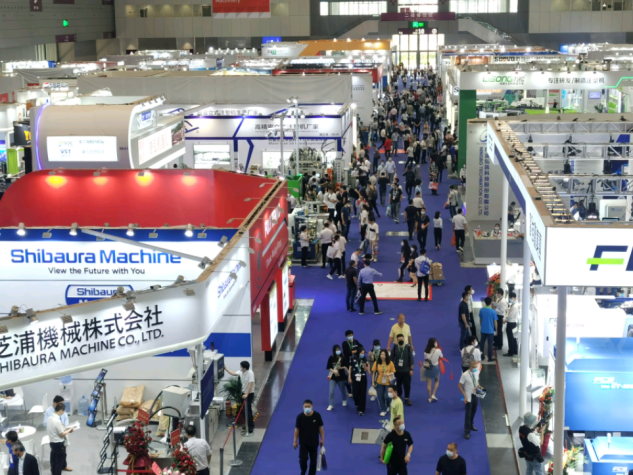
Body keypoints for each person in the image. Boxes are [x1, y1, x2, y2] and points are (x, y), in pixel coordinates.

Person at [294, 400, 324, 475]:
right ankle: (303, 472)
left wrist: (322, 439)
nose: (307, 408)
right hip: (303, 443)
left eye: (309, 406)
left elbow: (320, 428)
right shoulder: (300, 417)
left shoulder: (317, 415)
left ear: (312, 406)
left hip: (314, 443)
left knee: (313, 462)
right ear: (303, 407)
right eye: (305, 406)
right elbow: (297, 430)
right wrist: (295, 441)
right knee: (302, 460)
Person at [226, 361, 255, 435]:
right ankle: (247, 425)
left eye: (241, 366)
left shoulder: (250, 373)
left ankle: (250, 427)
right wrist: (226, 368)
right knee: (245, 410)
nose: (240, 367)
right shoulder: (241, 372)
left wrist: (247, 394)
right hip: (243, 393)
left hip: (249, 394)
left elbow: (250, 384)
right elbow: (233, 373)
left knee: (247, 410)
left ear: (244, 367)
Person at [47, 403, 74, 475]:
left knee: (53, 460)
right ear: (61, 410)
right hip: (59, 444)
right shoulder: (57, 421)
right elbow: (61, 434)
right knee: (59, 462)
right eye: (63, 411)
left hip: (52, 442)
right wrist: (70, 430)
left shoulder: (50, 418)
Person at [458, 361, 482, 439]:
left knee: (474, 411)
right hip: (468, 396)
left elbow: (477, 381)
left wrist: (479, 386)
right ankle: (466, 432)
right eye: (474, 368)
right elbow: (459, 386)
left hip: (475, 395)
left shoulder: (476, 372)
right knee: (468, 414)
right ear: (470, 367)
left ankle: (471, 425)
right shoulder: (465, 375)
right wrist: (464, 396)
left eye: (476, 368)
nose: (476, 369)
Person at [391, 333, 414, 406]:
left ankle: (407, 398)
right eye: (399, 339)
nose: (401, 340)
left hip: (406, 371)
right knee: (398, 385)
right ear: (397, 340)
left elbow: (411, 359)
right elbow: (391, 359)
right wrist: (391, 369)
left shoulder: (408, 348)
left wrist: (411, 369)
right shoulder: (395, 348)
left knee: (407, 385)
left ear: (404, 339)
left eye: (402, 339)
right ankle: (399, 395)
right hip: (397, 371)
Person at [372, 350, 395, 416]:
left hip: (388, 382)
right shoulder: (376, 363)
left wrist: (388, 374)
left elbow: (393, 372)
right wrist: (373, 382)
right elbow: (374, 373)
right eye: (381, 354)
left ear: (386, 356)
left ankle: (388, 405)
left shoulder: (390, 363)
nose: (382, 356)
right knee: (380, 397)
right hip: (379, 382)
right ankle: (383, 409)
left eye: (384, 355)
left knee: (388, 396)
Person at [326, 345, 348, 410]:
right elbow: (329, 367)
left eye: (339, 349)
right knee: (331, 391)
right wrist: (334, 371)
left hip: (341, 377)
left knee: (342, 390)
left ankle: (344, 400)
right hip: (333, 377)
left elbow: (345, 366)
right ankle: (331, 404)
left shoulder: (343, 357)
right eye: (337, 350)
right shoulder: (331, 358)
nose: (338, 351)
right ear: (334, 351)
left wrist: (340, 368)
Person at [349, 346, 370, 415]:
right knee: (355, 393)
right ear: (358, 353)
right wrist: (349, 377)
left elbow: (366, 370)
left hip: (363, 378)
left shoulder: (365, 359)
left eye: (363, 353)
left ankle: (361, 410)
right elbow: (350, 368)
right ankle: (357, 403)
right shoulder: (352, 358)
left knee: (362, 394)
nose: (362, 354)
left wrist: (364, 366)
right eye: (361, 353)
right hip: (355, 378)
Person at [342, 330, 362, 396]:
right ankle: (349, 391)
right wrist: (356, 351)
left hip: (355, 362)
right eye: (349, 335)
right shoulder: (344, 343)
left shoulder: (356, 342)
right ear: (346, 336)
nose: (350, 336)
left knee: (355, 376)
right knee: (348, 376)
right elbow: (346, 353)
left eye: (351, 335)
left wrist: (352, 351)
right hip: (347, 362)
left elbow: (361, 348)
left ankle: (355, 390)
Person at [423, 337, 443, 403]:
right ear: (434, 343)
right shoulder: (438, 351)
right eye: (436, 342)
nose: (437, 343)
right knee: (437, 381)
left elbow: (425, 358)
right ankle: (433, 394)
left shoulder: (425, 351)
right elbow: (441, 356)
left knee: (429, 383)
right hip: (435, 367)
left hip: (428, 367)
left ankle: (429, 397)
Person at [479, 297, 498, 362]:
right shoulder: (493, 311)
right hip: (490, 330)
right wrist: (496, 330)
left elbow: (480, 319)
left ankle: (481, 356)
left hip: (483, 329)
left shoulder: (481, 310)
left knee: (482, 343)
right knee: (490, 344)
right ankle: (490, 357)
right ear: (491, 302)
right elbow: (495, 321)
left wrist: (481, 326)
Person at [504, 291, 519, 357]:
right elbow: (508, 312)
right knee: (514, 338)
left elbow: (510, 315)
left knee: (511, 338)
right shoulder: (512, 304)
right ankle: (515, 350)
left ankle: (511, 352)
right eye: (509, 298)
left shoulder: (515, 306)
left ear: (514, 298)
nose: (510, 299)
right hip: (513, 323)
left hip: (511, 324)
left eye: (511, 298)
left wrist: (505, 319)